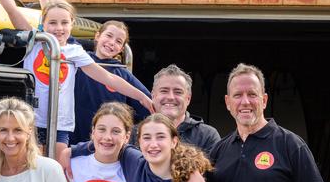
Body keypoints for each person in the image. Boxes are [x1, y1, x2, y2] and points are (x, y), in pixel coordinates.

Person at [0, 0, 153, 159]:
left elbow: (109, 77)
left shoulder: (75, 52)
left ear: (72, 24)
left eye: (64, 23)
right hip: (32, 120)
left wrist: (141, 97)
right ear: (44, 24)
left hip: (61, 124)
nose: (59, 28)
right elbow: (11, 8)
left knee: (59, 168)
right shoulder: (37, 41)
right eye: (53, 23)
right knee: (34, 166)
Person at [26, 0, 151, 144]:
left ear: (122, 48)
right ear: (97, 36)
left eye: (118, 41)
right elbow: (56, 32)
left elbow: (145, 100)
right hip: (70, 131)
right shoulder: (79, 54)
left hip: (100, 140)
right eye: (108, 36)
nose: (112, 43)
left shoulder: (121, 72)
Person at [67, 64, 220, 175]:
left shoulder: (207, 135)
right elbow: (106, 143)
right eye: (164, 91)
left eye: (178, 92)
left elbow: (213, 178)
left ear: (188, 98)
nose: (170, 97)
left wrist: (193, 175)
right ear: (153, 95)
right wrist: (71, 151)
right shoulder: (134, 133)